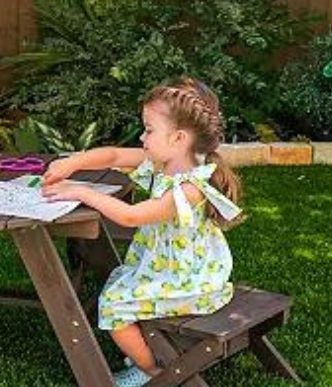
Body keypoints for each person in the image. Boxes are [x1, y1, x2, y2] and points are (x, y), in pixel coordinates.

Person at [42, 77, 243, 387]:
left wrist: (80, 191)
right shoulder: (166, 163)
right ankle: (151, 355)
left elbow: (130, 216)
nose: (142, 136)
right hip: (169, 267)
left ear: (178, 138)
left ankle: (152, 371)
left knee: (112, 305)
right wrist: (73, 163)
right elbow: (114, 156)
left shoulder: (189, 188)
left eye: (149, 130)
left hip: (190, 281)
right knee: (117, 282)